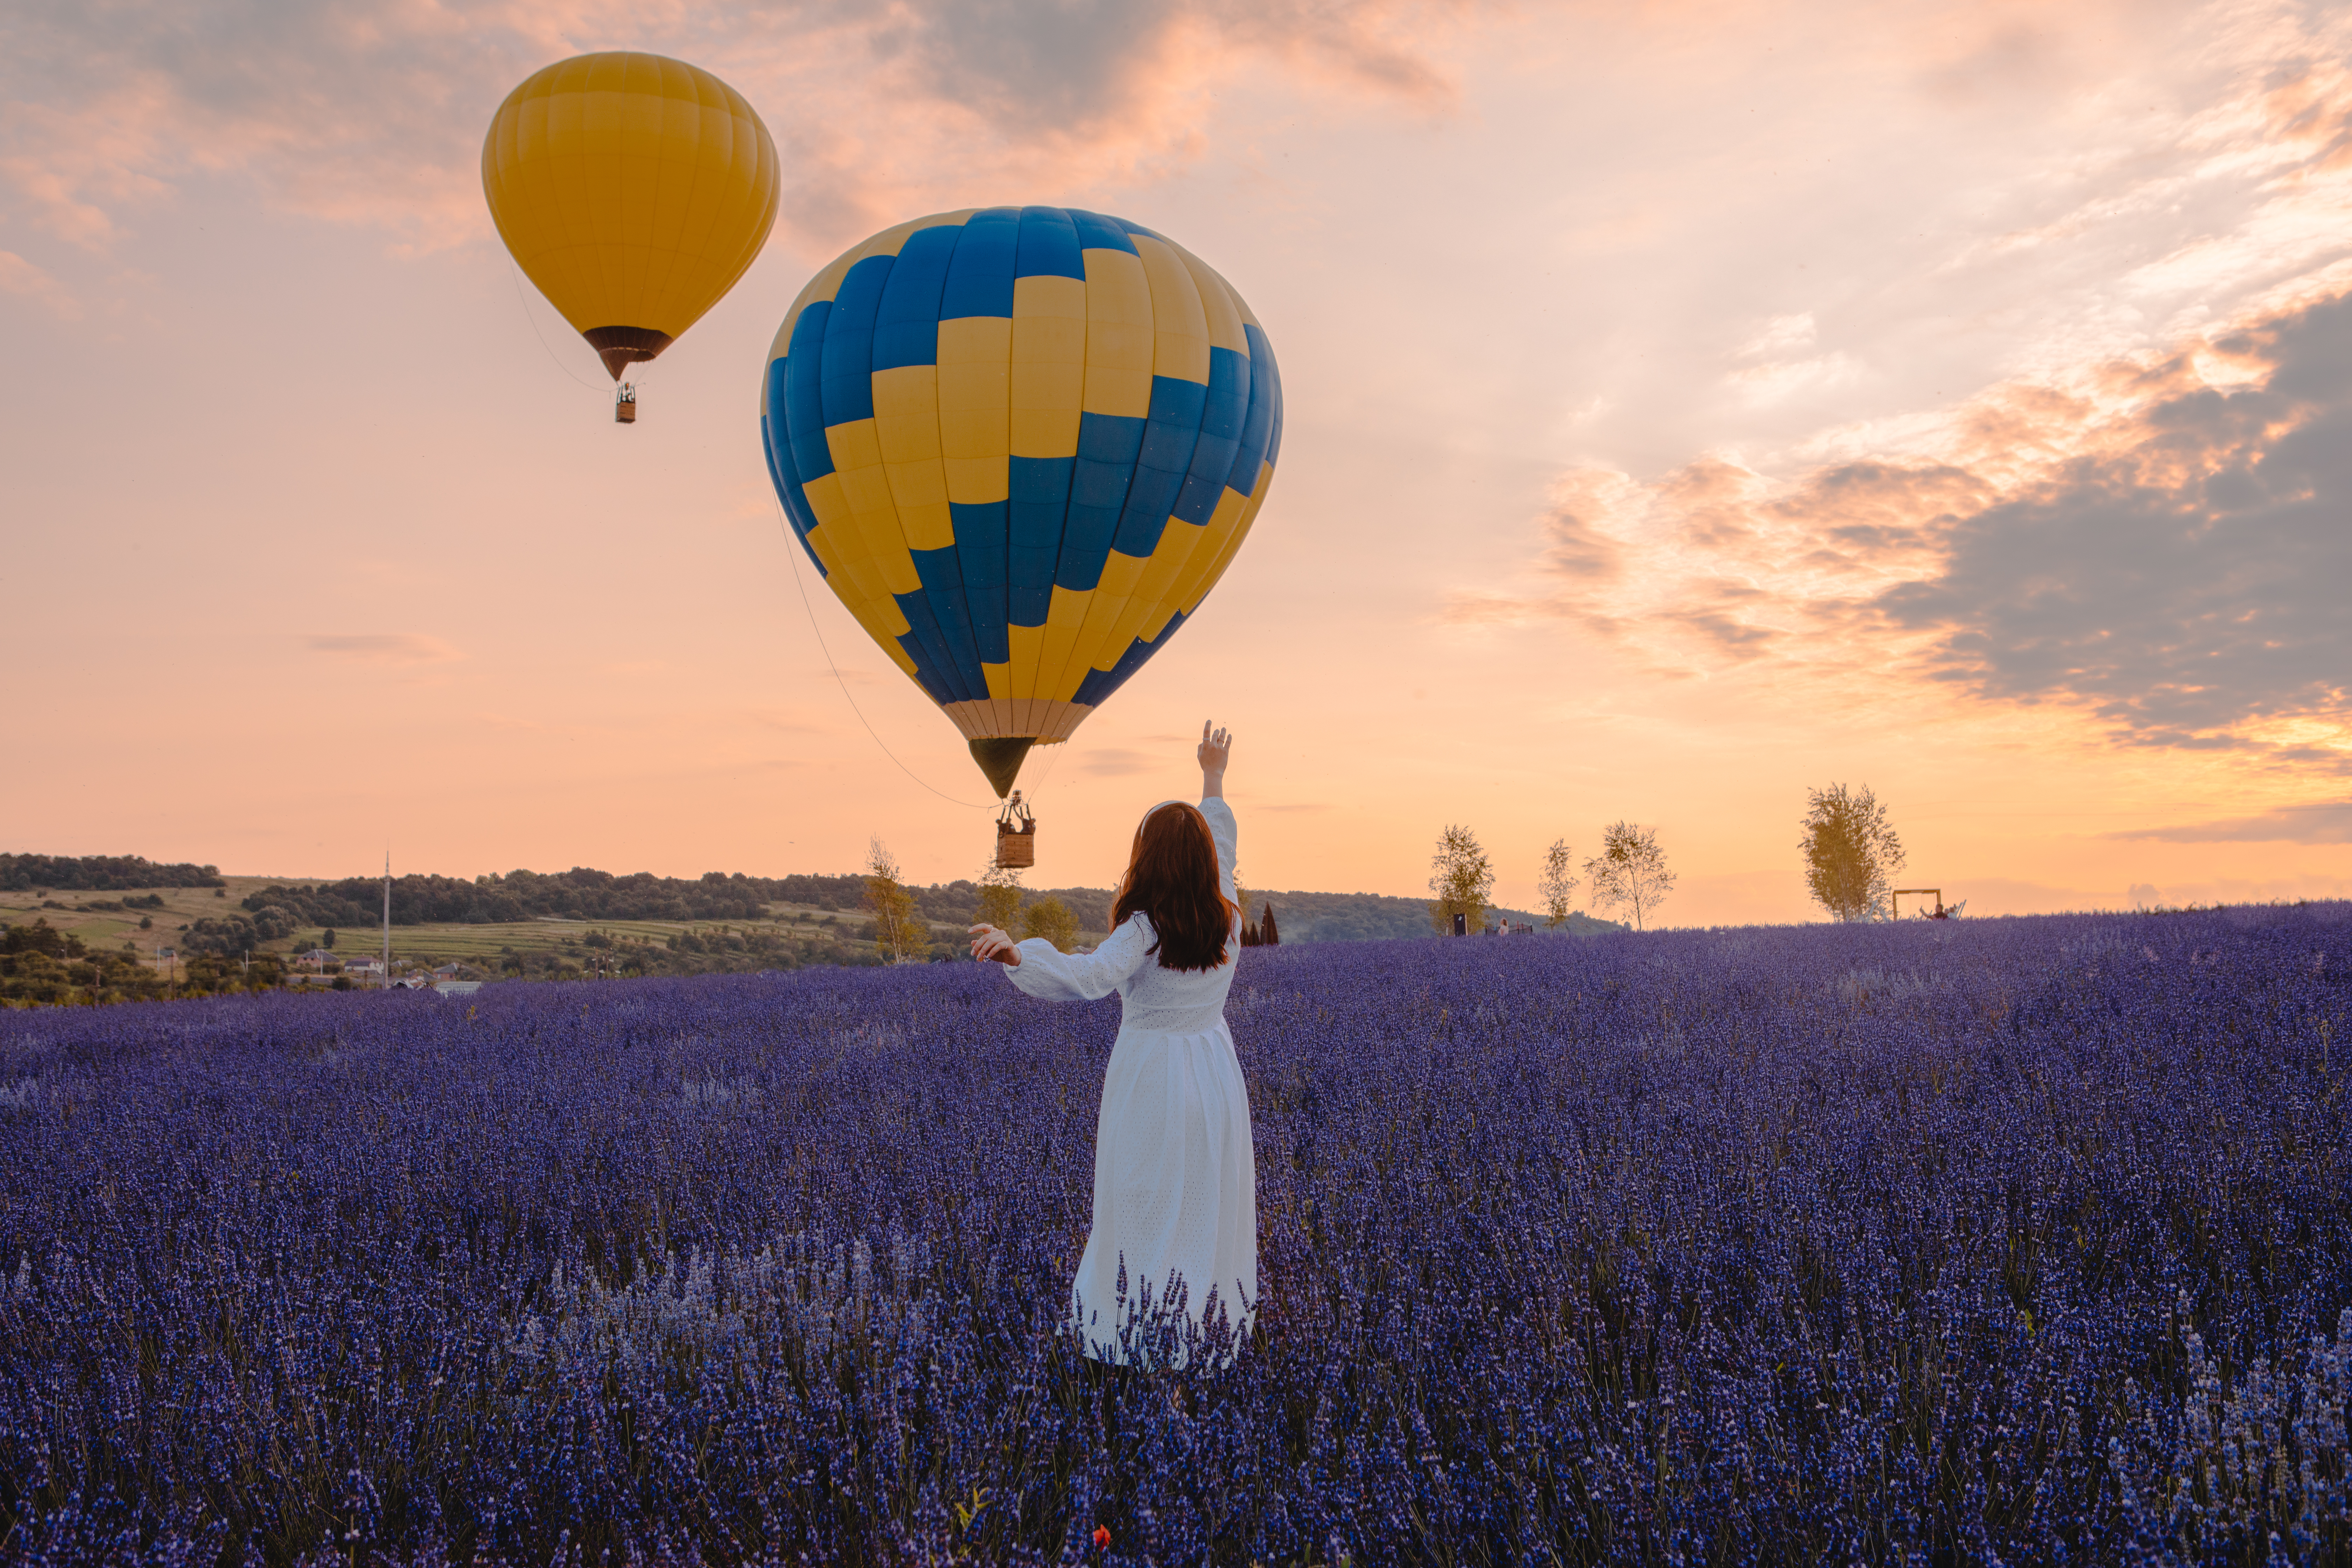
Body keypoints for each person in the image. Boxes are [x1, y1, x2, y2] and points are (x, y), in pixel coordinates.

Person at [969, 721, 1254, 1367]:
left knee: (1143, 1205)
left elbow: (1089, 976)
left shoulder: (1143, 931)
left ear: (1146, 861)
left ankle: (1139, 1342)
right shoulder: (1229, 913)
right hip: (1213, 1075)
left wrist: (1019, 955)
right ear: (1205, 862)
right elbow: (1223, 838)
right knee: (1205, 1203)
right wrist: (1213, 774)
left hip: (1153, 1078)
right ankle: (1203, 1335)